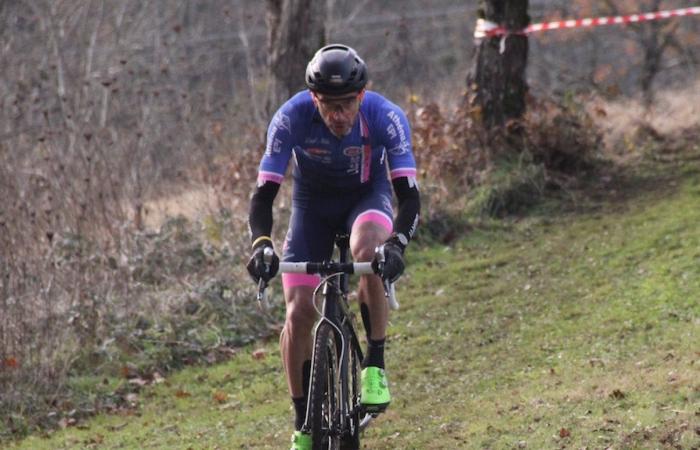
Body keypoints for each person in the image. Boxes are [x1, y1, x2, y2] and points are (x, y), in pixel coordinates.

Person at [246, 44, 420, 449]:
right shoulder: (290, 118)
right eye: (328, 106)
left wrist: (397, 244)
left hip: (367, 199)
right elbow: (262, 197)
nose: (338, 116)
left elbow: (409, 198)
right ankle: (302, 421)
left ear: (361, 97)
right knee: (298, 310)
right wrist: (261, 245)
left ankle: (374, 363)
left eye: (346, 105)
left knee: (368, 251)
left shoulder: (385, 117)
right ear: (314, 99)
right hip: (312, 210)